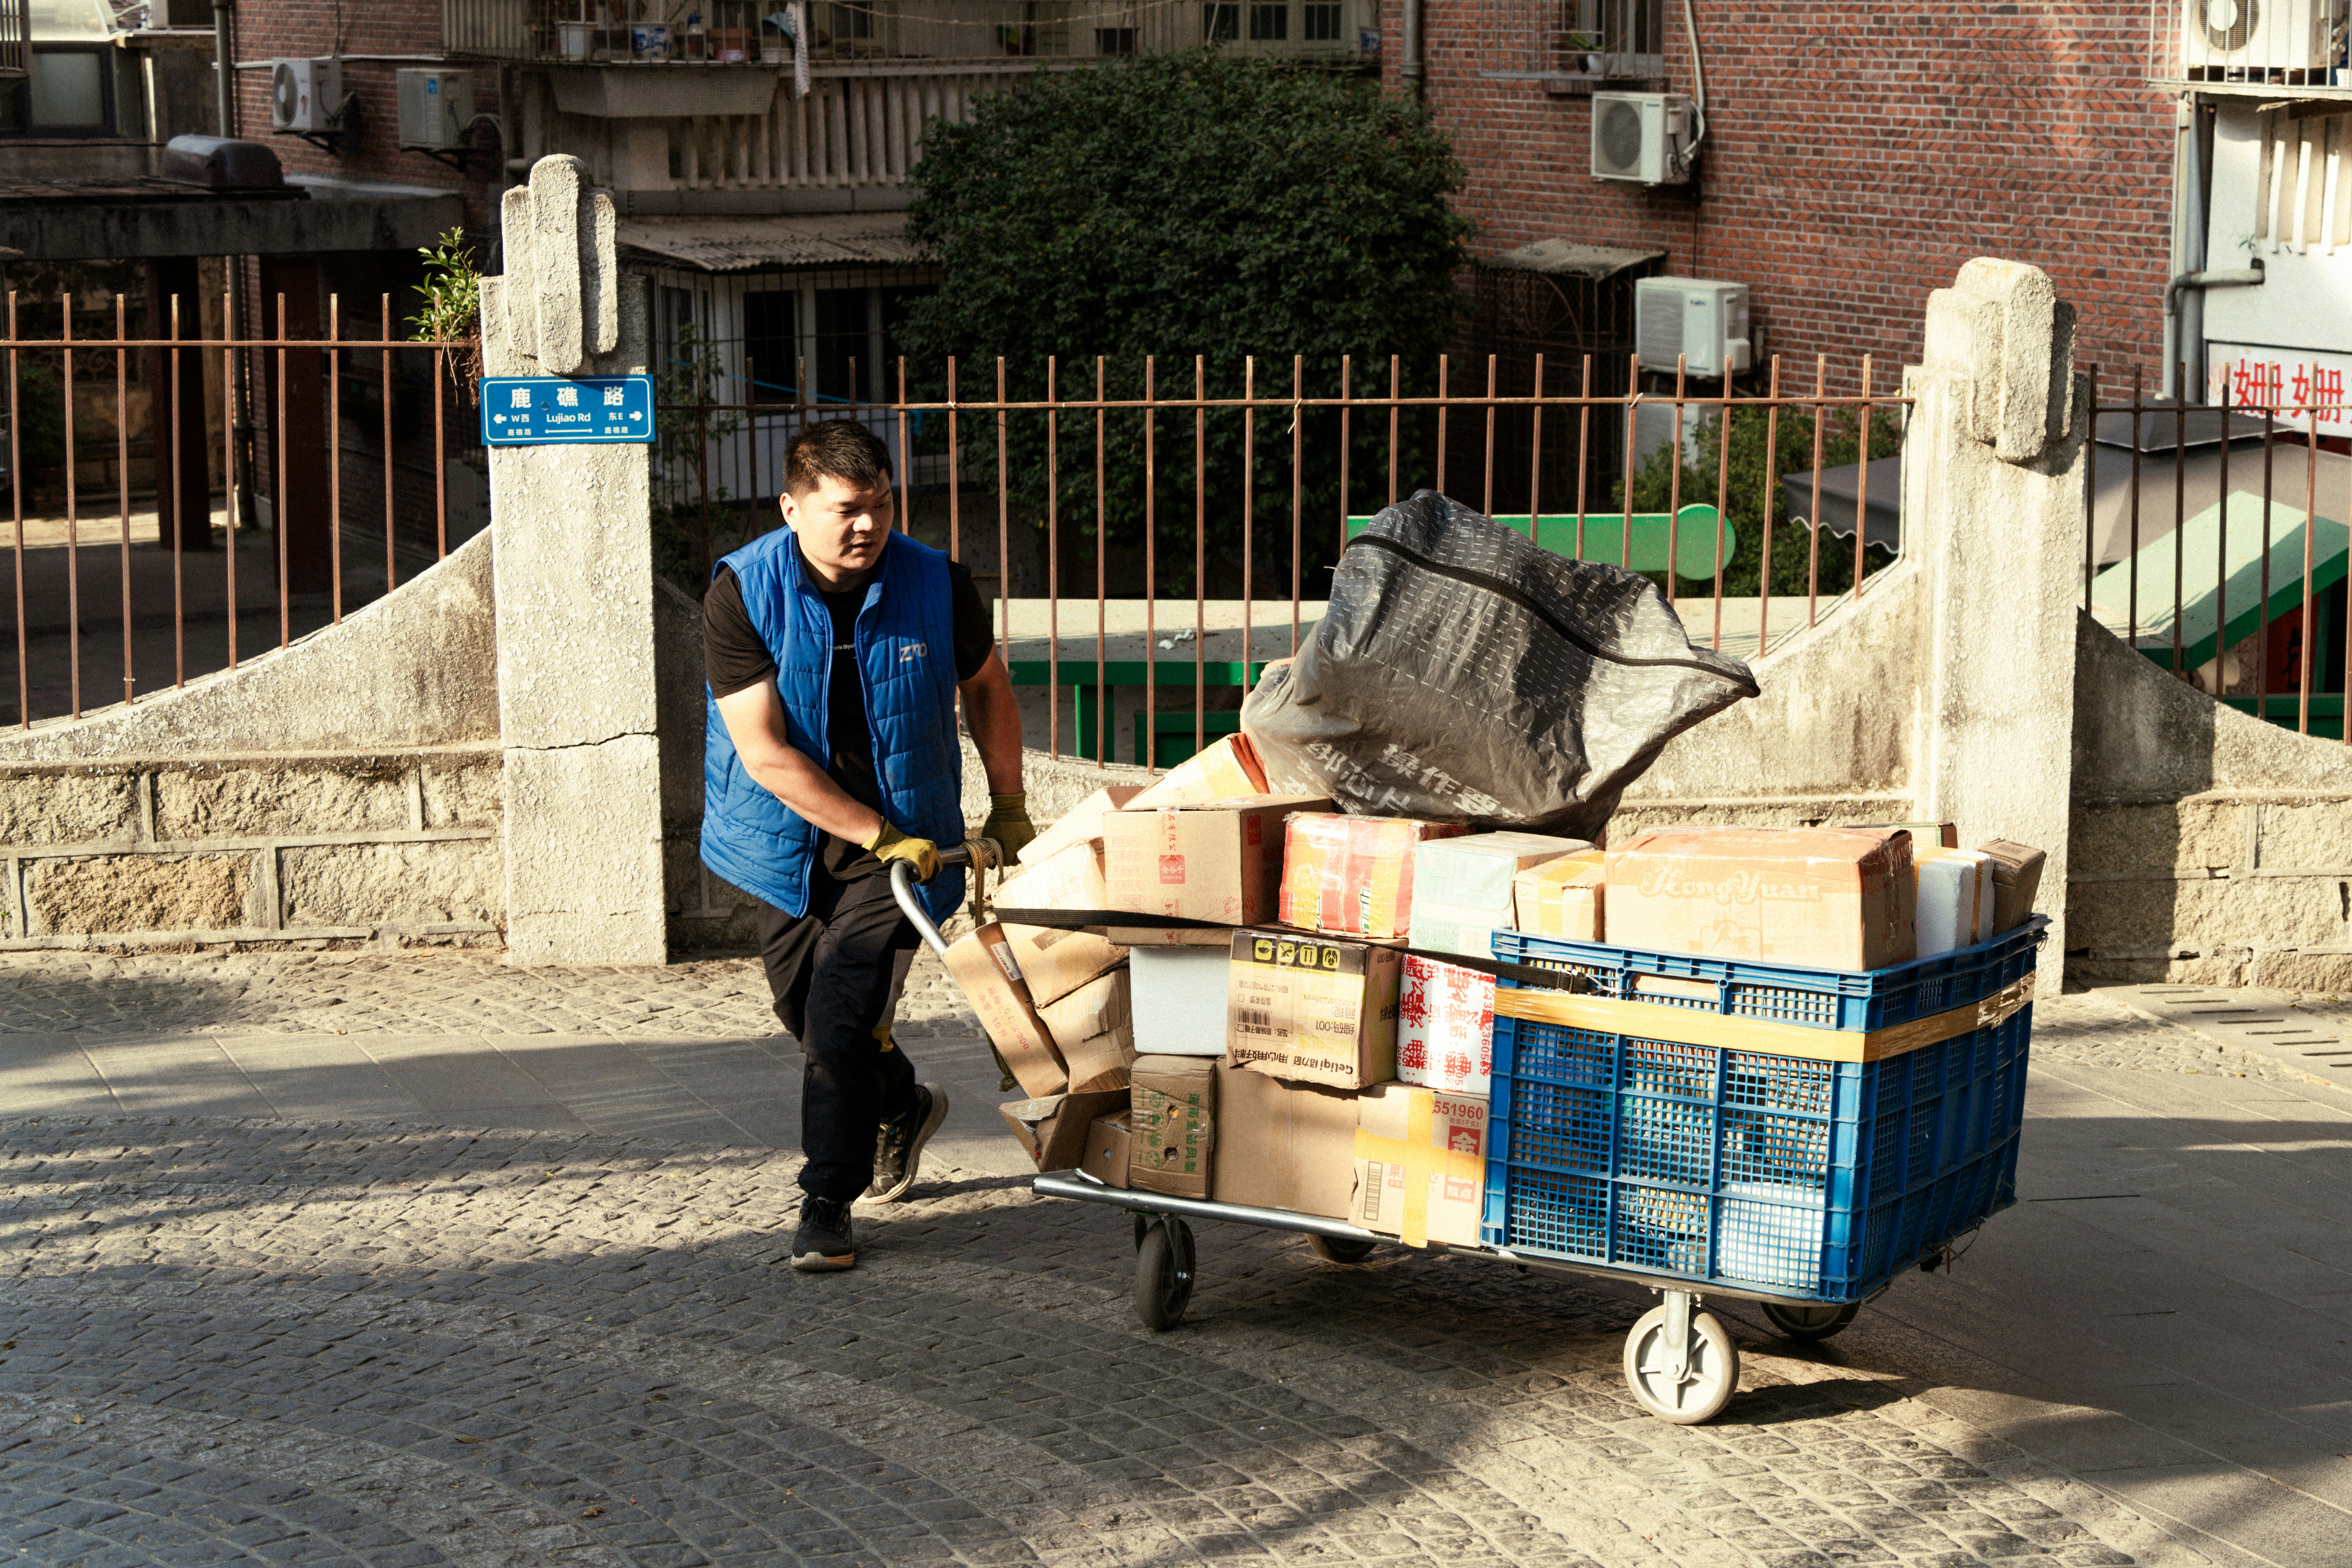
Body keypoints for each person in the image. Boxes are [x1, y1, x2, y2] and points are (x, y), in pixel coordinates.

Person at [701, 419, 1034, 1272]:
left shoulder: (937, 583)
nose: (868, 526)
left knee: (841, 1018)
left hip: (901, 847)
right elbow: (766, 752)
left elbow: (987, 685)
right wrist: (867, 829)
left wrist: (1007, 803)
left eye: (881, 506)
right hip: (788, 840)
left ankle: (826, 1200)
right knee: (806, 1018)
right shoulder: (742, 591)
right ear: (791, 507)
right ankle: (901, 1103)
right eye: (848, 509)